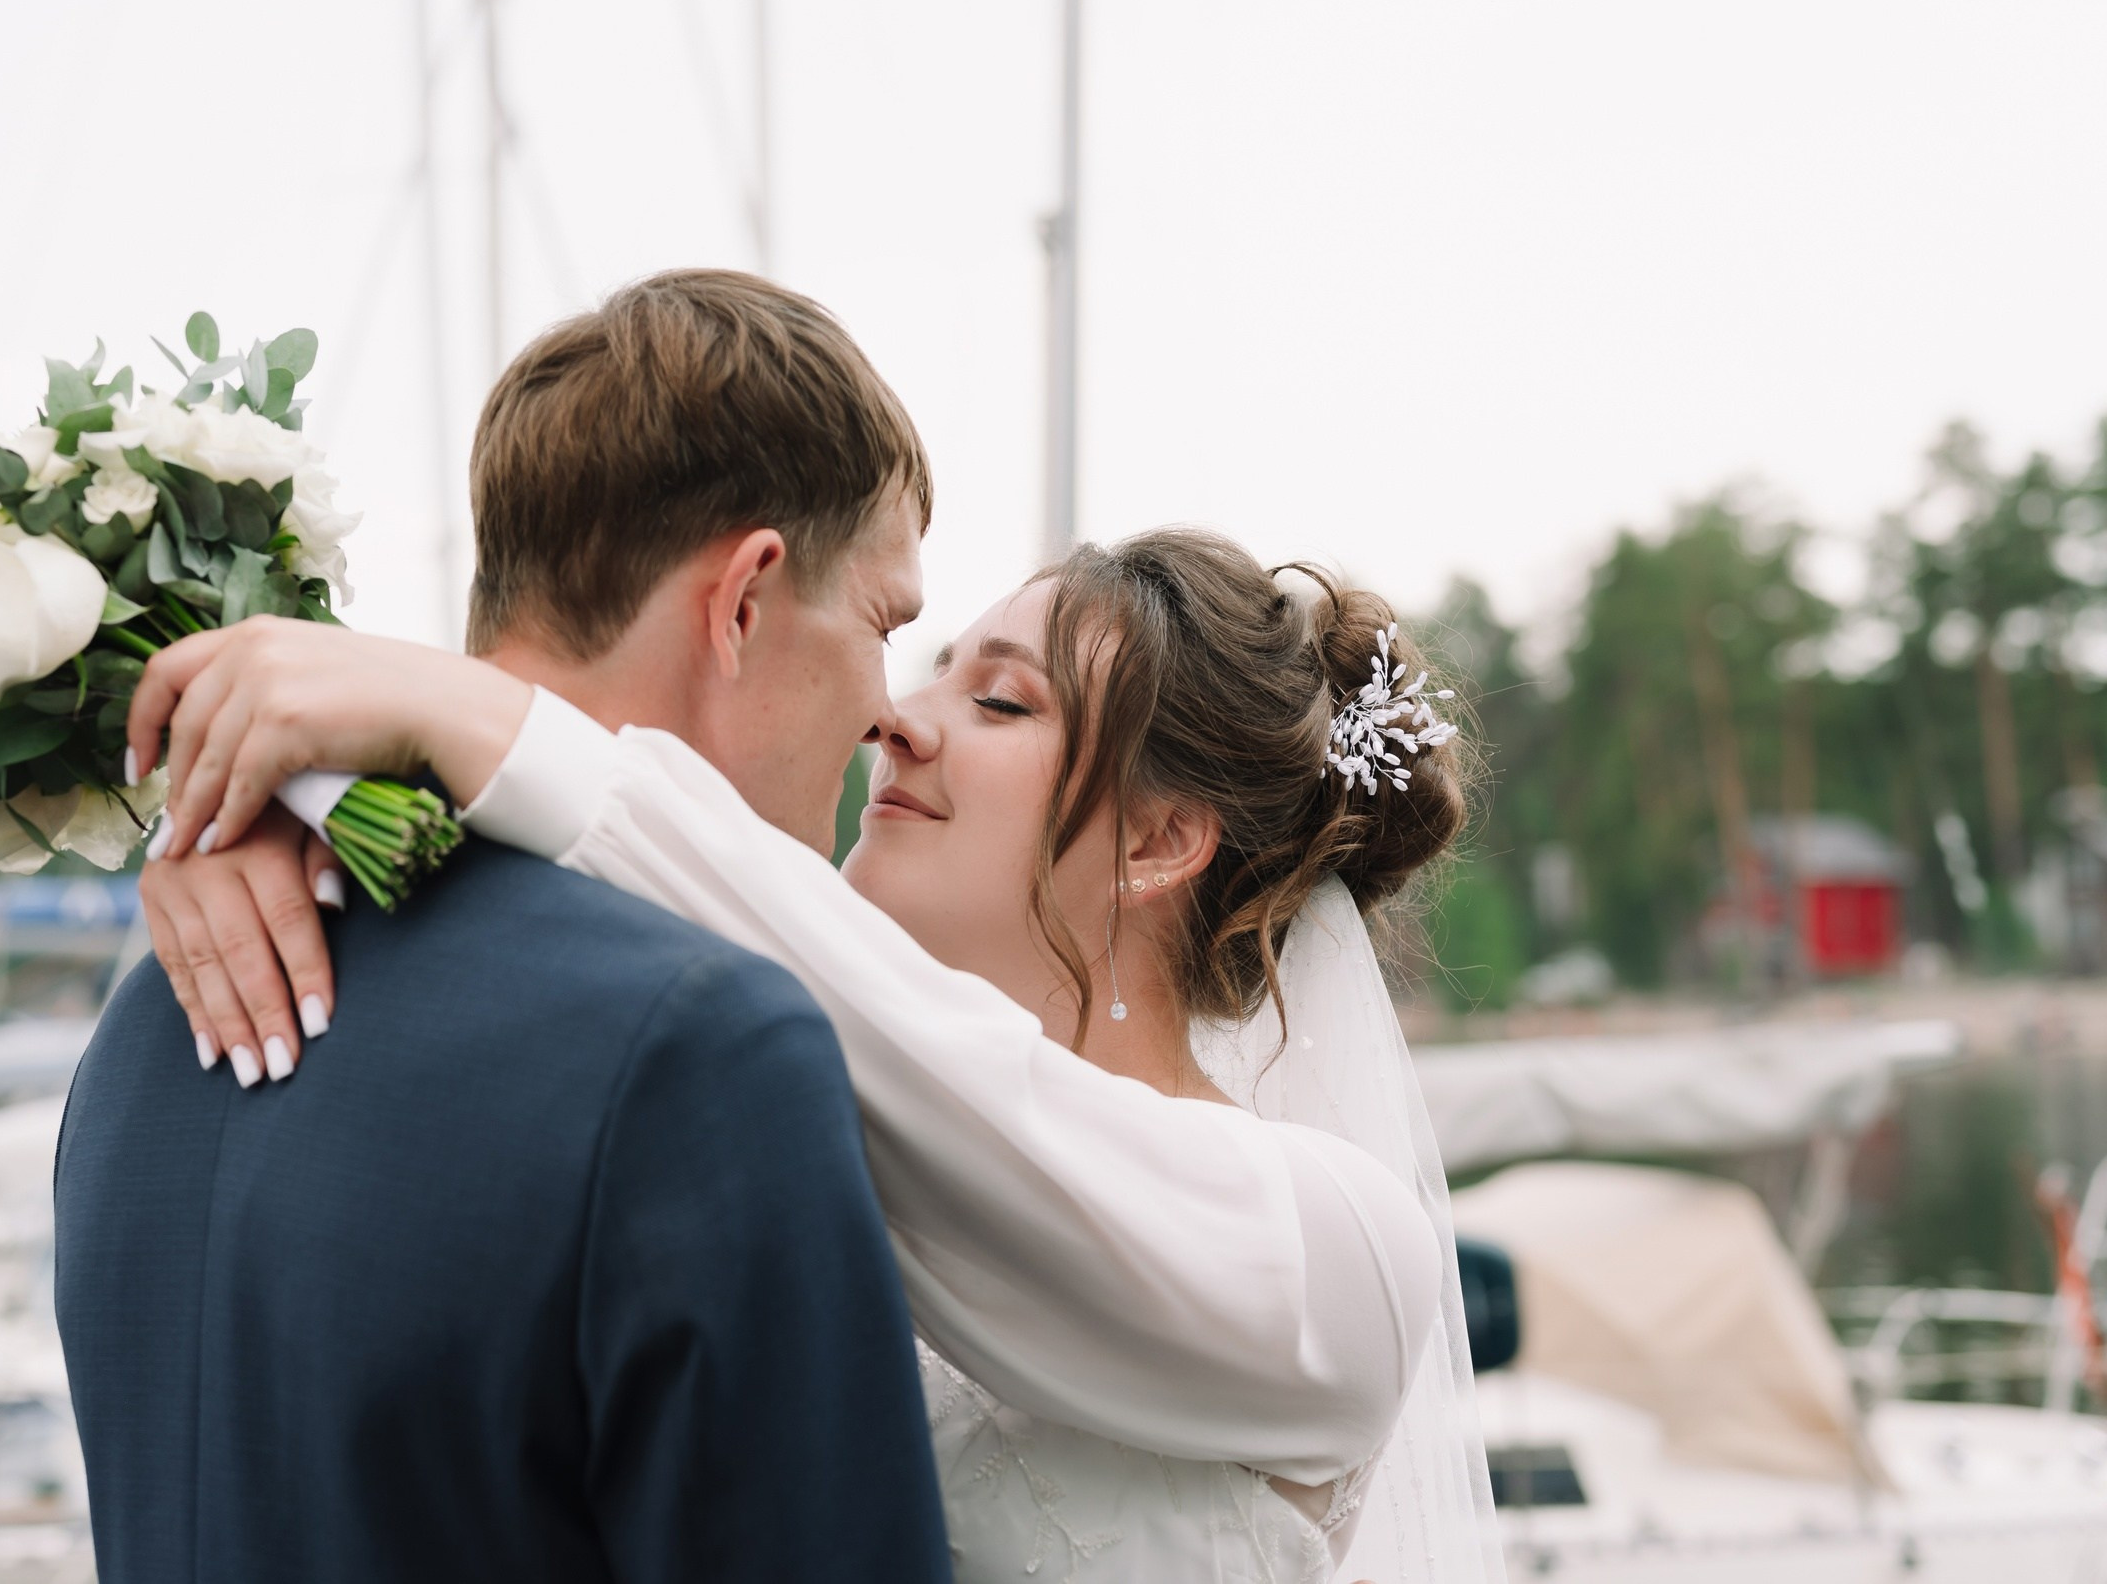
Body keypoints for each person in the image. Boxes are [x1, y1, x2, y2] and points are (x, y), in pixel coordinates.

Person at [132, 513, 1504, 1573]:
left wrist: (468, 717)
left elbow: (949, 1076)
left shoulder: (1340, 1253)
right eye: (930, 671)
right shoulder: (807, 1119)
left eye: (1003, 702)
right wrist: (258, 817)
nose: (896, 721)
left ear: (1157, 843)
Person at [52, 271, 955, 1582]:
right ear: (745, 600)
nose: (887, 711)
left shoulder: (151, 1024)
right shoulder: (705, 1047)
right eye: (885, 620)